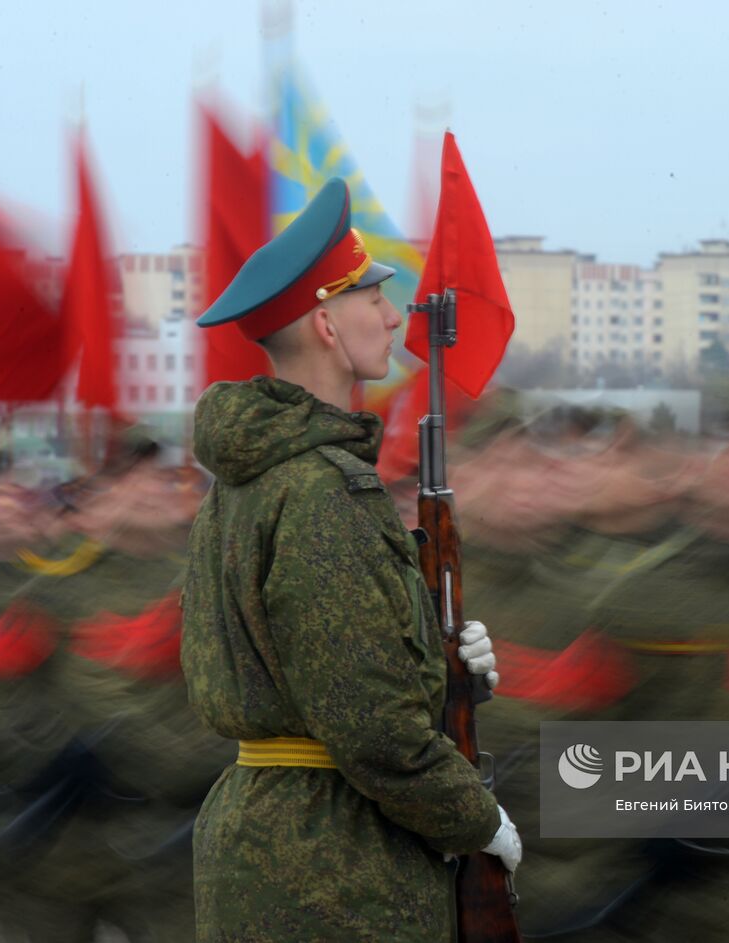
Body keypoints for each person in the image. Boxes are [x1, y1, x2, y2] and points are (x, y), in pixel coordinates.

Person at [181, 177, 520, 943]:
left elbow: (315, 668)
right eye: (373, 296)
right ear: (327, 324)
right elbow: (371, 726)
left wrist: (440, 667)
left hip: (281, 842)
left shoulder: (251, 482)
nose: (395, 316)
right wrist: (479, 818)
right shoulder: (322, 493)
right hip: (335, 866)